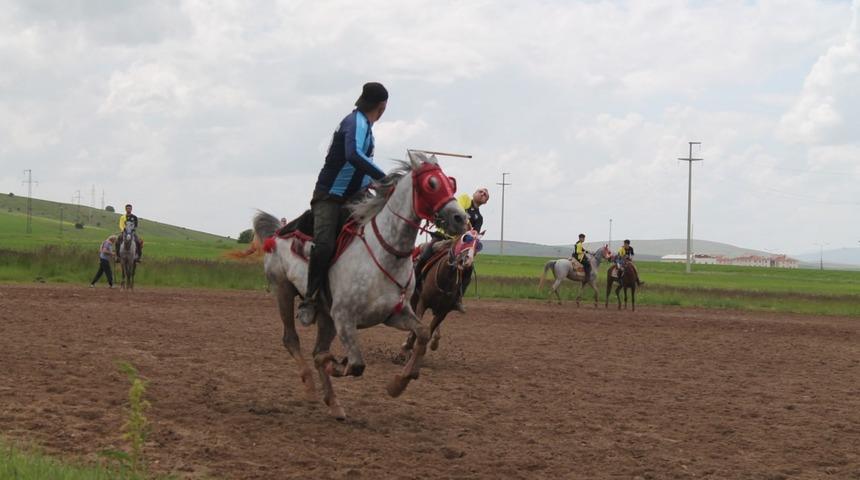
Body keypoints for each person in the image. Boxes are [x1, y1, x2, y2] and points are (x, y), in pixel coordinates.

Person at [297, 82, 389, 326]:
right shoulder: (355, 122)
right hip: (329, 196)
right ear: (382, 107)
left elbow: (361, 170)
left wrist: (382, 187)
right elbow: (353, 155)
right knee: (325, 246)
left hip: (355, 198)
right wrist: (385, 178)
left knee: (379, 234)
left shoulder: (367, 128)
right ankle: (310, 299)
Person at [413, 187, 489, 311]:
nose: (483, 194)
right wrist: (469, 227)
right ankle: (414, 283)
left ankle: (458, 298)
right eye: (480, 192)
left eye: (485, 195)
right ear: (474, 193)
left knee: (468, 270)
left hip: (458, 244)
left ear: (485, 201)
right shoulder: (465, 199)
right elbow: (458, 213)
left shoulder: (479, 218)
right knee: (425, 255)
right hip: (442, 236)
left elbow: (474, 235)